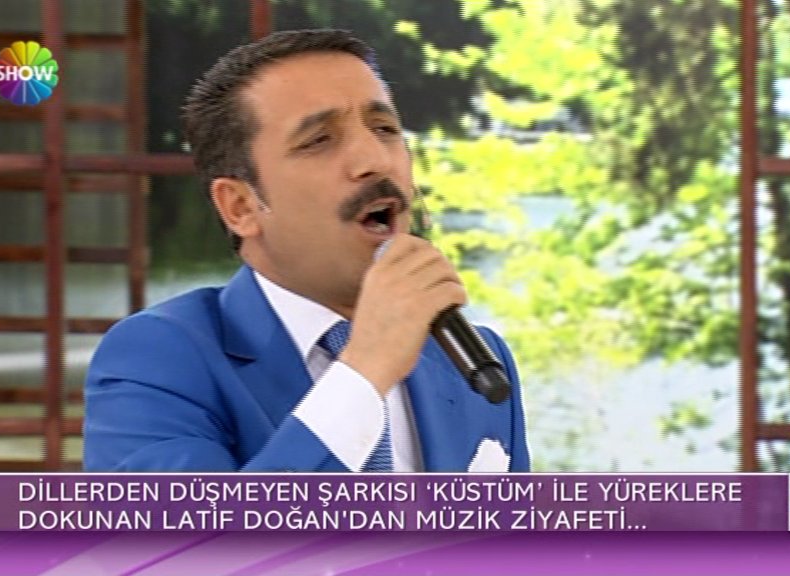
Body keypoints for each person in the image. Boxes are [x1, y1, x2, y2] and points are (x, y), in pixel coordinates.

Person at [82, 29, 530, 473]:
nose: (375, 160)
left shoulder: (477, 361)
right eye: (318, 140)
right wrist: (366, 369)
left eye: (385, 129)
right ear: (240, 207)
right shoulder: (157, 358)